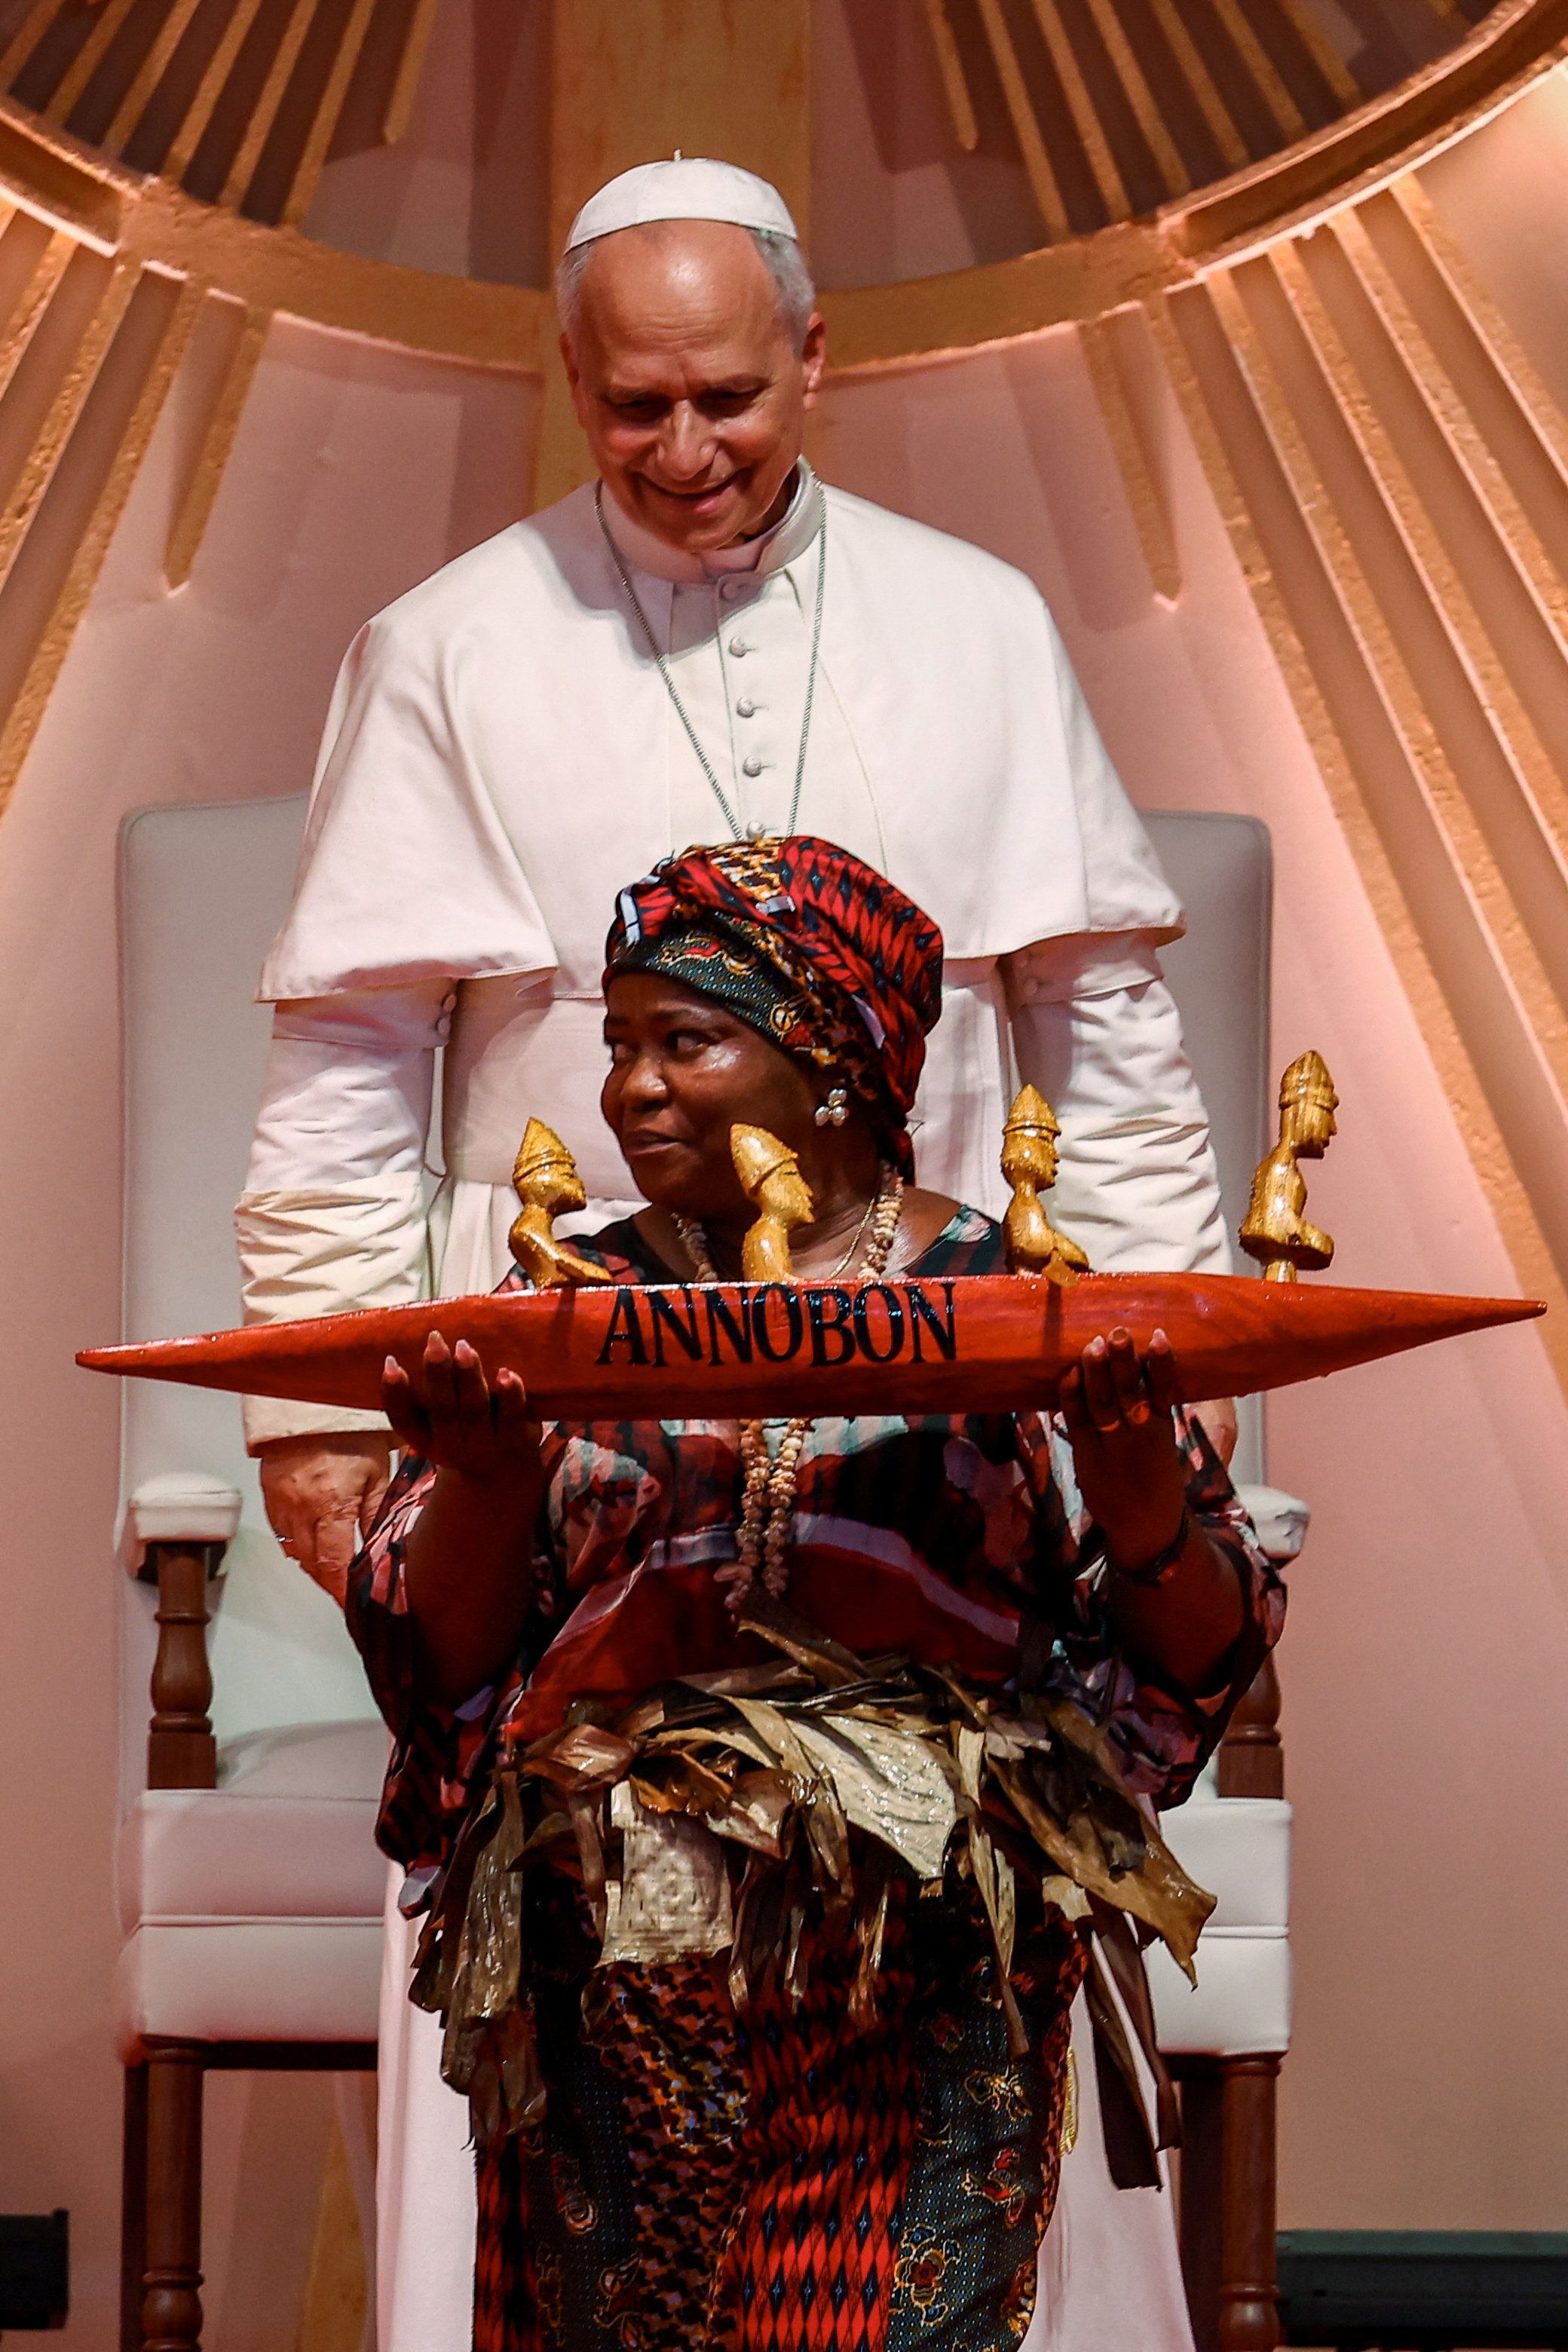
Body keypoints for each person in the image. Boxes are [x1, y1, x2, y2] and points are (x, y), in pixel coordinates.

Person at [239, 155, 1237, 2348]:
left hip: (940, 1383)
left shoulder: (978, 621)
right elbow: (344, 1058)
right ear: (571, 386)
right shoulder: (446, 644)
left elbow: (1108, 1019)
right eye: (632, 412)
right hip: (593, 1405)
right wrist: (333, 1438)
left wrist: (1162, 1370)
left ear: (817, 356)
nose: (685, 454)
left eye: (728, 399)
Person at [347, 837, 1283, 2352]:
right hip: (617, 1948)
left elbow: (1195, 1658)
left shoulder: (1013, 1309)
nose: (631, 1087)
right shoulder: (556, 1318)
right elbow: (432, 1670)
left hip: (921, 1969)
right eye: (618, 1045)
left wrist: (1128, 1491)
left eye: (687, 1040)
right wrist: (489, 1479)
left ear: (836, 1059)